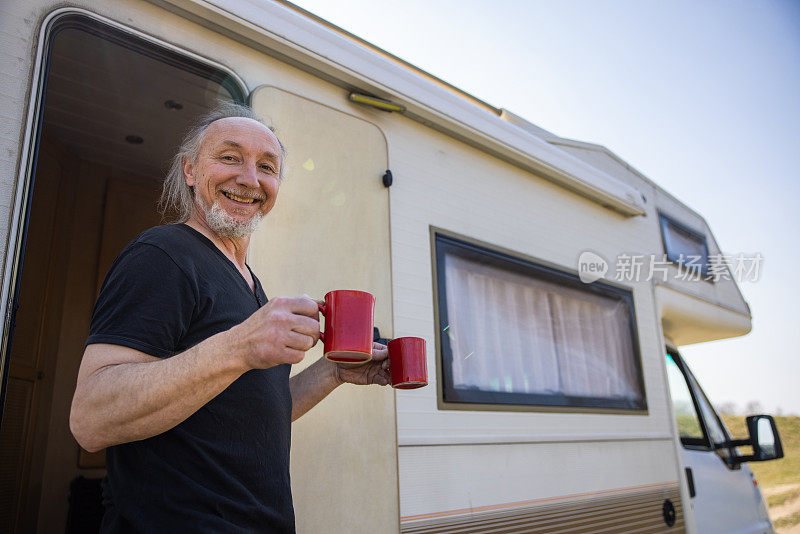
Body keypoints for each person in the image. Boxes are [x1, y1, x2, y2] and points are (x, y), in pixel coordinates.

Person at [69, 102, 390, 533]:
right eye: (229, 157)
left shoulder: (250, 285)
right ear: (189, 170)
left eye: (267, 166)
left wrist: (333, 372)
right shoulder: (163, 255)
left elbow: (251, 413)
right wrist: (241, 345)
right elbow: (91, 420)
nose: (249, 179)